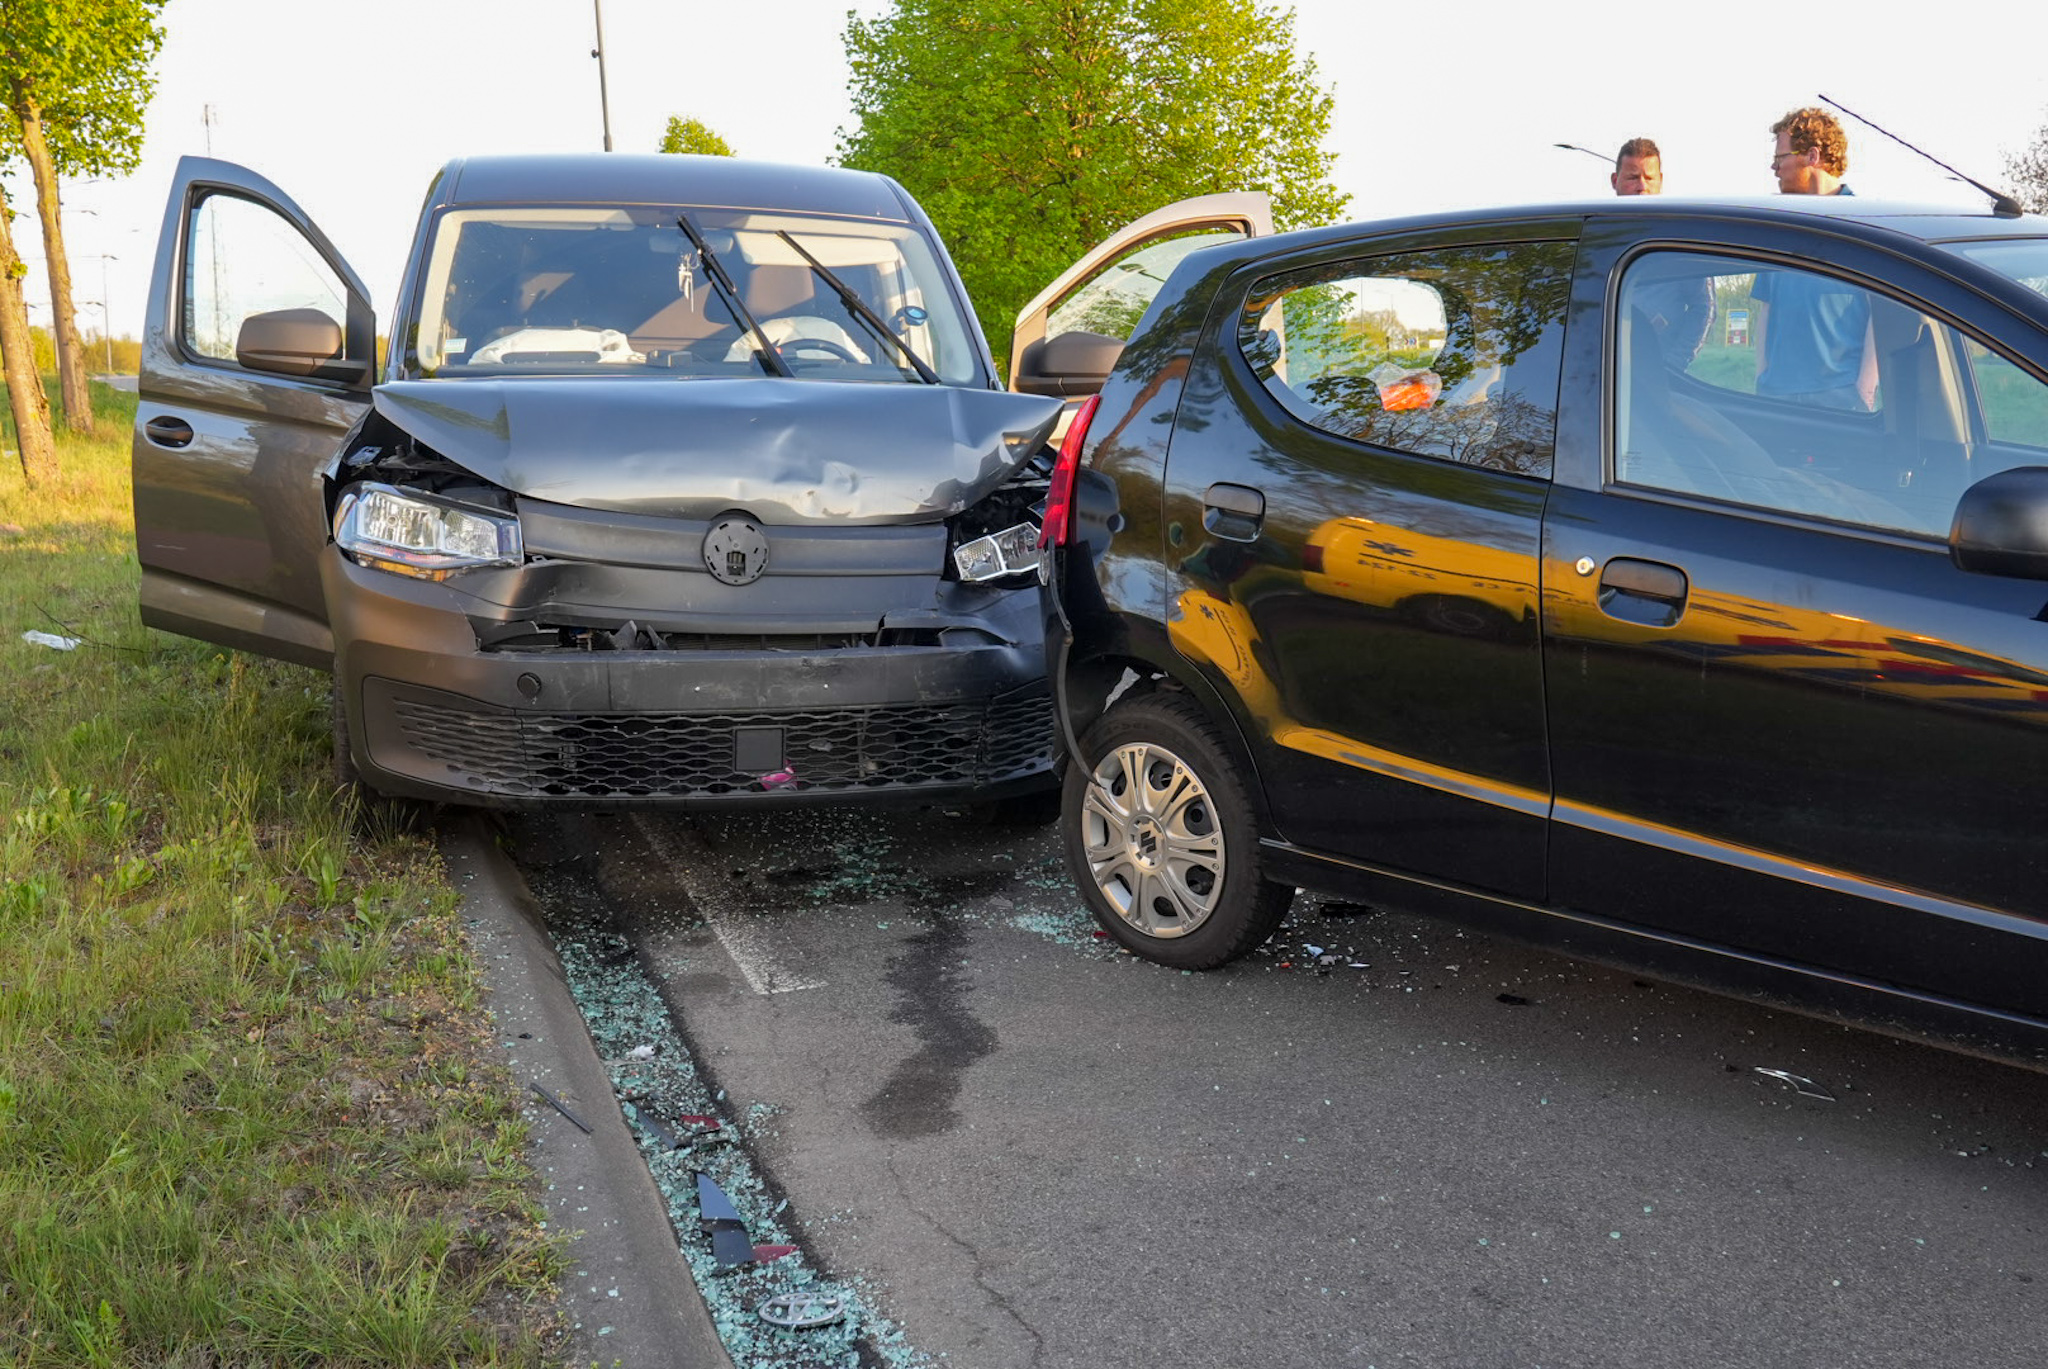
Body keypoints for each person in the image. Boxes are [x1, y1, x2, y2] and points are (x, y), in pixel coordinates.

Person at [1753, 106, 1876, 409]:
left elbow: (1882, 314)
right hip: (1776, 396)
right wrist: (1762, 376)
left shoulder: (1864, 226)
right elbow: (1766, 308)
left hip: (1840, 396)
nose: (1774, 168)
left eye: (1780, 158)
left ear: (1812, 156)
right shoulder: (1777, 226)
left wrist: (1864, 389)